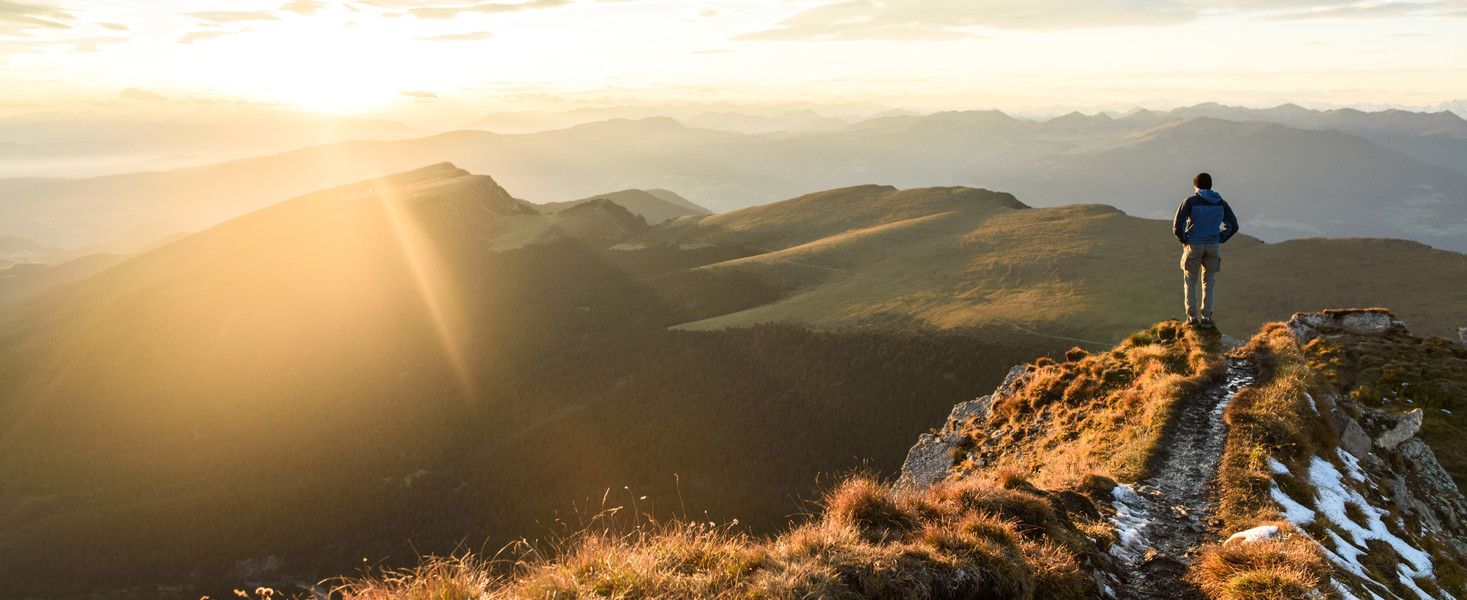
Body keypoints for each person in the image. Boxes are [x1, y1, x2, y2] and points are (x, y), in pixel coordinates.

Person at [1172, 172, 1239, 329]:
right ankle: (1207, 318)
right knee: (1209, 281)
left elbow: (1177, 226)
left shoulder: (1190, 201)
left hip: (1194, 245)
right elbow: (1233, 226)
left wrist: (1185, 240)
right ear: (1210, 185)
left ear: (1196, 185)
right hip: (1213, 245)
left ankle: (1192, 317)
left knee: (1190, 279)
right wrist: (1219, 238)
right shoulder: (1220, 203)